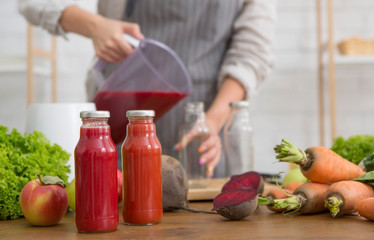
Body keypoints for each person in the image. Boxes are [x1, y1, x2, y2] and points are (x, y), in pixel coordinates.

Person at [19, 0, 276, 178]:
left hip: (200, 135)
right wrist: (94, 26)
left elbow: (252, 50)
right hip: (116, 128)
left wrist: (213, 119)